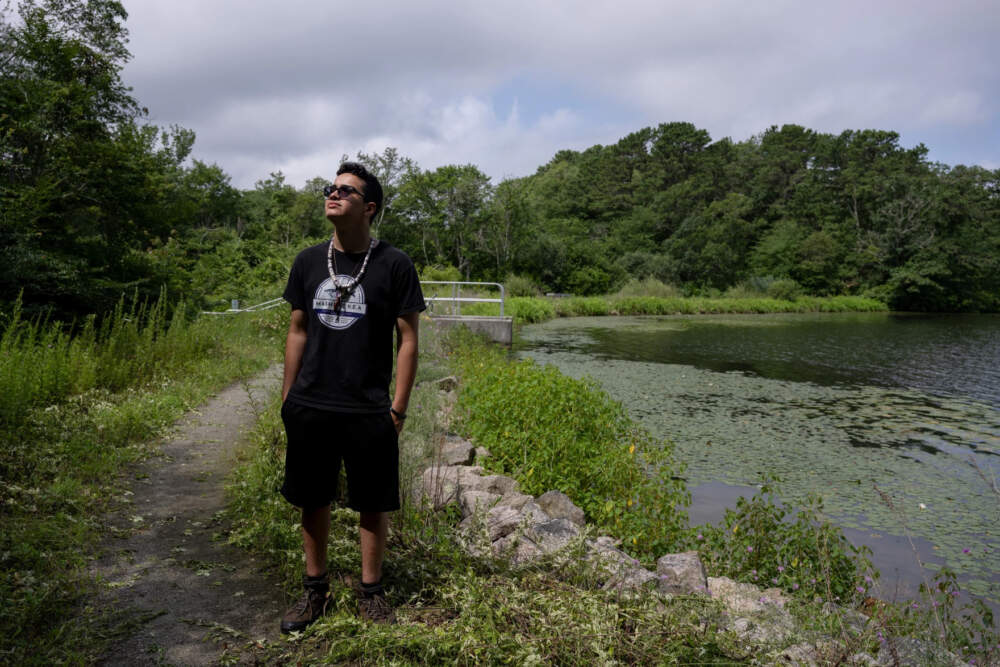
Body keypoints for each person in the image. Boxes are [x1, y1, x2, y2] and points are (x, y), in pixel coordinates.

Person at [278, 161, 424, 633]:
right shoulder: (307, 261)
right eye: (331, 188)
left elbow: (408, 340)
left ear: (370, 207)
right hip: (311, 403)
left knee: (372, 501)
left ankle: (371, 593)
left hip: (368, 407)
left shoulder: (395, 264)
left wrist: (397, 407)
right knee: (312, 498)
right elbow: (297, 331)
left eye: (346, 190)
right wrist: (288, 397)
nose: (333, 194)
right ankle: (314, 591)